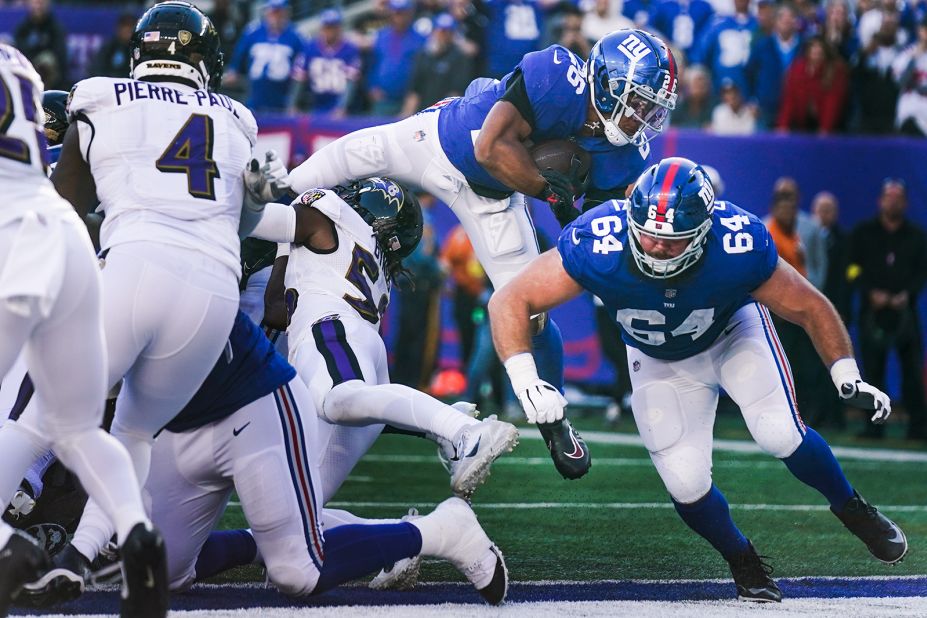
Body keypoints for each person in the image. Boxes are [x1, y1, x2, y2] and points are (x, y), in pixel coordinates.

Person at [488, 157, 907, 603]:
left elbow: (809, 305)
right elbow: (511, 300)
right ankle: (740, 555)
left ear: (704, 231)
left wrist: (845, 372)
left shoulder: (737, 243)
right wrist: (525, 378)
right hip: (656, 357)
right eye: (646, 233)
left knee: (779, 431)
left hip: (730, 334)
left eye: (671, 241)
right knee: (686, 484)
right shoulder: (601, 240)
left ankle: (851, 506)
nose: (653, 247)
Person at [271, 28, 681, 480]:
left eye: (652, 107)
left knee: (532, 312)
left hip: (494, 201)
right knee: (323, 169)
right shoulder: (557, 76)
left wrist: (585, 232)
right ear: (605, 83)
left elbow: (590, 226)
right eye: (640, 102)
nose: (645, 116)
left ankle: (554, 416)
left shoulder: (623, 154)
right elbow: (490, 149)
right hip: (436, 141)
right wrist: (551, 191)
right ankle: (259, 221)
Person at [22, 2, 259, 611]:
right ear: (205, 59)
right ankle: (91, 552)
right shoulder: (240, 117)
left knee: (41, 418)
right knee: (133, 430)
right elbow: (241, 210)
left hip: (135, 265)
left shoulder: (97, 94)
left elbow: (65, 204)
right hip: (213, 292)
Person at [146, 308, 509, 605]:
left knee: (296, 568)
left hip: (252, 400)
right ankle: (387, 524)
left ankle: (442, 522)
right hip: (183, 415)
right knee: (156, 567)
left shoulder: (184, 252)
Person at [0, 44, 160, 618]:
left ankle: (16, 535)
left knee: (32, 413)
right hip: (76, 253)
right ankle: (126, 531)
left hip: (31, 253)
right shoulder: (20, 66)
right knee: (78, 427)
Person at [848, 179, 927, 440]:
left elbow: (922, 272)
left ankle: (918, 427)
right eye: (888, 197)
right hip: (873, 313)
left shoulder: (917, 236)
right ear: (880, 201)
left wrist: (907, 294)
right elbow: (851, 268)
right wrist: (869, 291)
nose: (893, 202)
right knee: (872, 372)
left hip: (906, 315)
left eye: (898, 197)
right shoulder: (863, 233)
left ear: (904, 203)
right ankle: (874, 426)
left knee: (912, 372)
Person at [226, 0, 305, 112]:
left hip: (282, 100)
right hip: (255, 98)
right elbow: (239, 54)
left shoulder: (296, 36)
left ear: (286, 13)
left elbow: (301, 67)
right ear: (266, 12)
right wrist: (234, 69)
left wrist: (294, 101)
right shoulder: (253, 32)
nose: (276, 16)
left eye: (279, 12)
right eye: (273, 12)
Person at [289, 9, 360, 116]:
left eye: (333, 26)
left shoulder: (350, 49)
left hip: (340, 108)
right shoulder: (310, 48)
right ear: (321, 27)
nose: (330, 30)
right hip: (315, 105)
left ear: (339, 27)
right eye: (327, 26)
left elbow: (351, 82)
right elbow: (299, 78)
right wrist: (292, 105)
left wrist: (341, 107)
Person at [777, 36, 849, 134]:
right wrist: (783, 126)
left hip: (829, 126)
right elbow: (789, 99)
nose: (816, 51)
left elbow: (832, 103)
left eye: (819, 48)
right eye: (813, 47)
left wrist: (825, 129)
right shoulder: (797, 69)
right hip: (801, 123)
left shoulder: (835, 71)